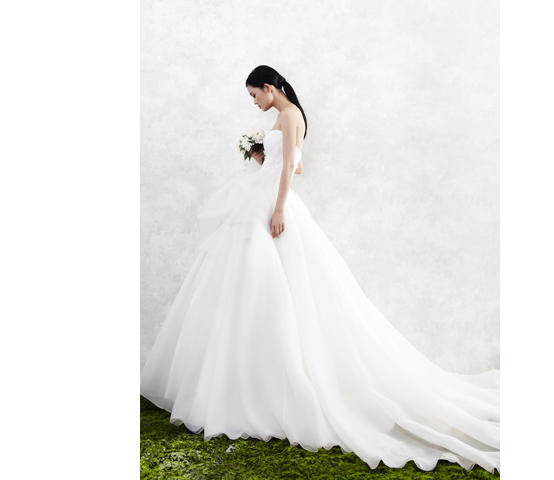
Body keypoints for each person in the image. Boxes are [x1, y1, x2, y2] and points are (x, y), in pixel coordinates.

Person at [140, 65, 500, 473]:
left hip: (271, 205)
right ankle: (240, 385)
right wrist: (261, 157)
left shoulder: (290, 115)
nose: (254, 103)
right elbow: (293, 164)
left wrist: (279, 209)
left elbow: (291, 168)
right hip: (259, 199)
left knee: (276, 289)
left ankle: (260, 390)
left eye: (255, 95)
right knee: (246, 287)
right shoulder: (283, 116)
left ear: (270, 87)